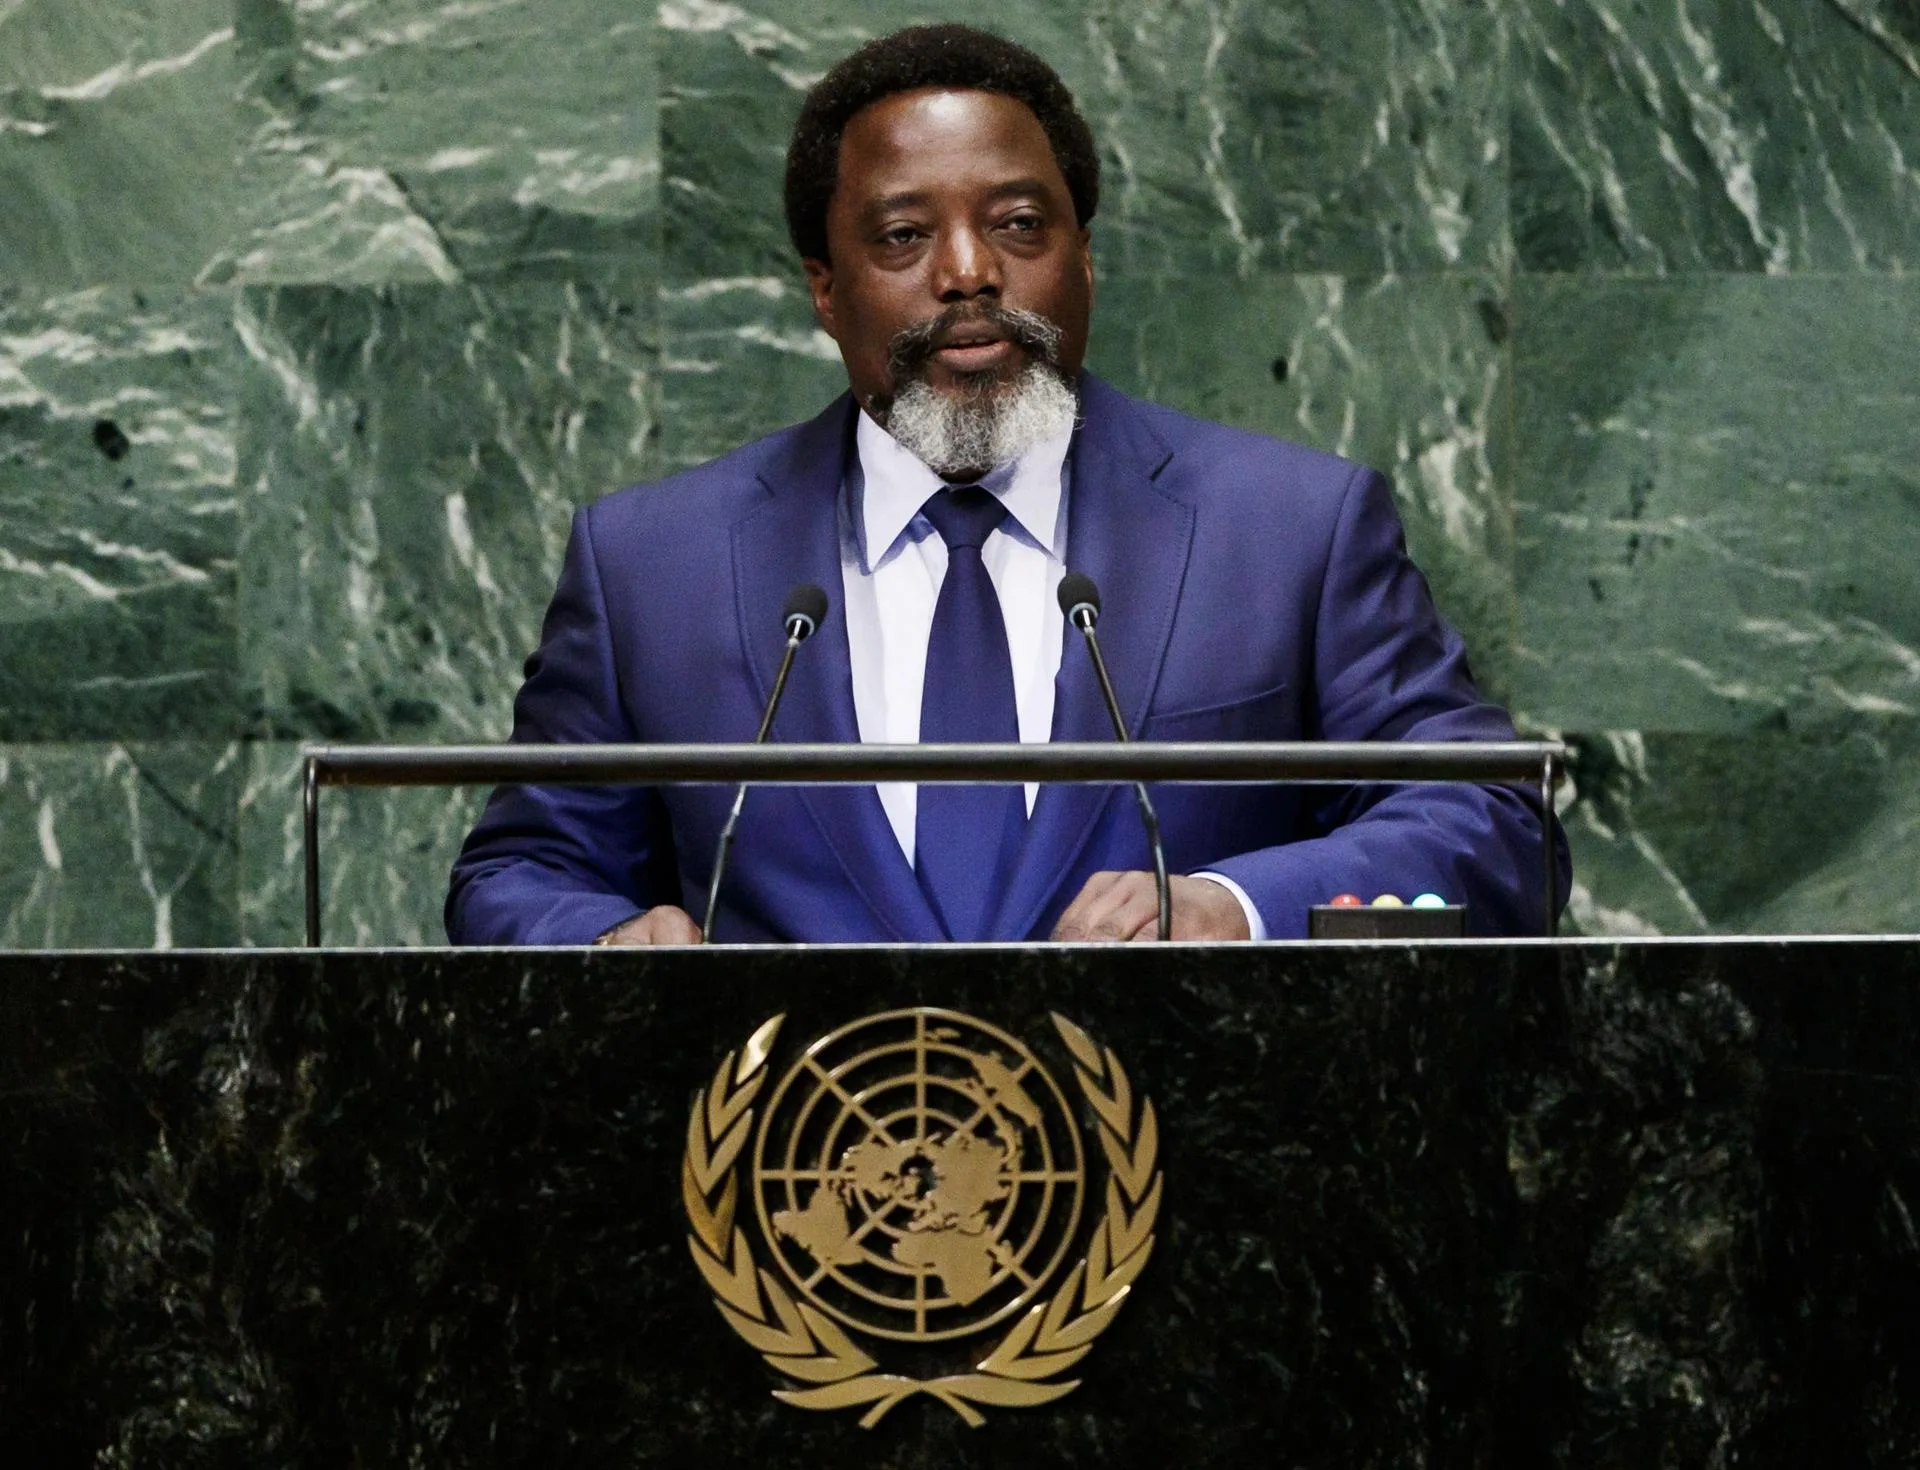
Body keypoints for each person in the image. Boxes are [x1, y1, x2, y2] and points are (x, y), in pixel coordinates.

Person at [446, 24, 1568, 946]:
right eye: (902, 235)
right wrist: (598, 941)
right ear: (825, 289)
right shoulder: (654, 564)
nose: (970, 270)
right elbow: (522, 870)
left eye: (1020, 224)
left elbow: (1492, 819)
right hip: (793, 1187)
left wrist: (1237, 904)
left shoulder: (1290, 531)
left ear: (1085, 255)